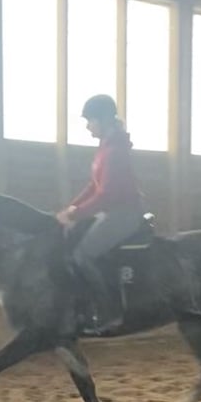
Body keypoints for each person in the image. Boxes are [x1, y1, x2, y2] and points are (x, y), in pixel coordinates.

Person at [56, 94, 145, 333]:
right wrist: (71, 208)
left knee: (83, 255)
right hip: (111, 212)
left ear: (103, 120)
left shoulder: (114, 151)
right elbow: (93, 186)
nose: (87, 126)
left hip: (123, 213)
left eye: (90, 121)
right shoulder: (105, 148)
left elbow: (106, 195)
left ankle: (111, 312)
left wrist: (76, 214)